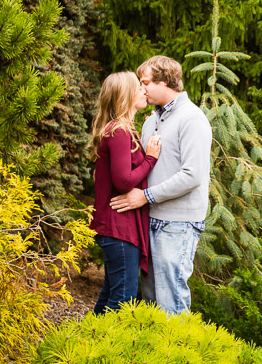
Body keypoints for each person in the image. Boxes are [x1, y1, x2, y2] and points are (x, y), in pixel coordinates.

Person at [110, 55, 212, 315]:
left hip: (177, 224)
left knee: (171, 302)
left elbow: (192, 175)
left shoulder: (192, 119)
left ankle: (179, 355)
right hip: (149, 221)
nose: (140, 89)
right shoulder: (150, 122)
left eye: (144, 82)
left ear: (165, 81)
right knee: (151, 302)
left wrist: (146, 196)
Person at [89, 71, 161, 314]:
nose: (143, 90)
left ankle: (85, 343)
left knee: (112, 292)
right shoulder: (118, 132)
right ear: (126, 95)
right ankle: (102, 349)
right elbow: (123, 181)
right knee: (122, 298)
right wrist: (150, 158)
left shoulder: (119, 130)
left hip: (118, 227)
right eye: (138, 87)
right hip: (120, 228)